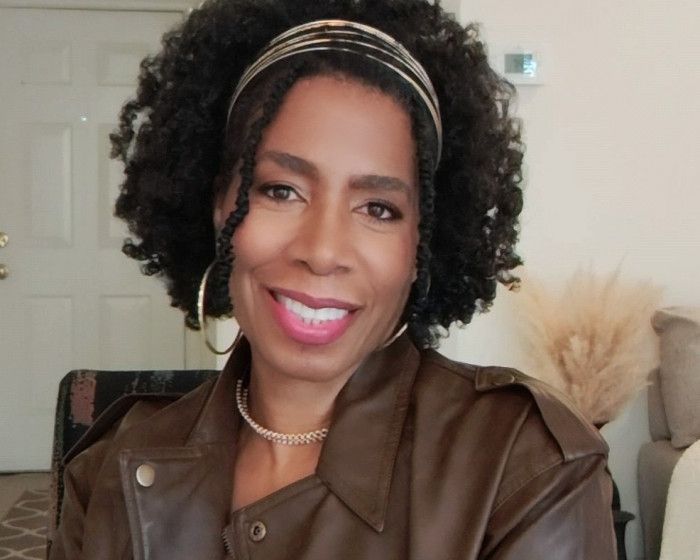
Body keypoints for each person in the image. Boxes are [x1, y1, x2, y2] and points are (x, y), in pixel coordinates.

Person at [49, 0, 616, 558]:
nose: (322, 252)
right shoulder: (109, 469)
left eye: (378, 209)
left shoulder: (528, 467)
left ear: (421, 247)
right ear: (219, 206)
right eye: (282, 191)